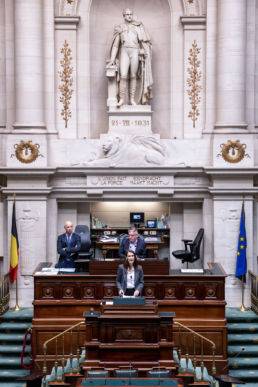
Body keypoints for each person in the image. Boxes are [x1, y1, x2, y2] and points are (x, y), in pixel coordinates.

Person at [107, 8, 153, 107]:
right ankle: (122, 99)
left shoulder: (138, 27)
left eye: (130, 14)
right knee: (123, 75)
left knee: (133, 75)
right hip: (124, 51)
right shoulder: (120, 28)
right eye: (127, 14)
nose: (129, 16)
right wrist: (112, 59)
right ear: (123, 16)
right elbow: (115, 45)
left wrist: (143, 51)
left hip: (135, 51)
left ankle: (132, 99)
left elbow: (143, 43)